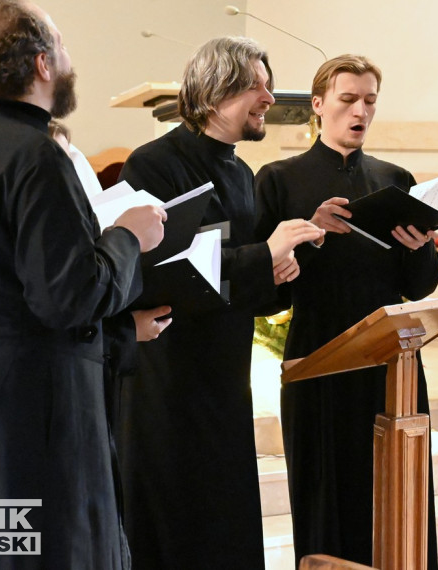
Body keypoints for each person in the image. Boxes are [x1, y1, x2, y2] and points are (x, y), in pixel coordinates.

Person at [0, 0, 166, 569]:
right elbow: (68, 298)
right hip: (18, 422)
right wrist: (126, 238)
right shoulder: (35, 156)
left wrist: (121, 335)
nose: (68, 60)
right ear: (42, 64)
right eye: (61, 47)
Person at [115, 36, 324, 569]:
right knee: (172, 525)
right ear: (214, 93)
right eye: (257, 85)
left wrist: (278, 268)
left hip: (224, 380)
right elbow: (159, 276)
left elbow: (242, 281)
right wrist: (262, 255)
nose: (269, 99)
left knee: (223, 525)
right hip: (169, 378)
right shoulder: (154, 165)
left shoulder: (240, 173)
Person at [254, 55, 438, 568]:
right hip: (318, 357)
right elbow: (265, 294)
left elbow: (419, 286)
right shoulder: (279, 180)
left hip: (390, 362)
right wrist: (307, 236)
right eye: (348, 99)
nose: (361, 110)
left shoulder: (395, 179)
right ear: (318, 106)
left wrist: (419, 245)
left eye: (370, 100)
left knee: (395, 493)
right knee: (323, 497)